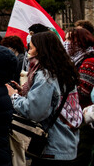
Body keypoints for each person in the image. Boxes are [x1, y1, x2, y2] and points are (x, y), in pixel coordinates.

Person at [7, 31, 80, 164]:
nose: (28, 51)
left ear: (41, 50)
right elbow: (53, 102)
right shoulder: (64, 71)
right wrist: (26, 93)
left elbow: (34, 111)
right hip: (68, 143)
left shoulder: (45, 76)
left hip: (52, 147)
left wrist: (14, 96)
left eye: (31, 47)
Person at [64, 27, 94, 166]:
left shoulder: (88, 61)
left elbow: (82, 92)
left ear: (80, 42)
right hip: (78, 115)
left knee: (82, 154)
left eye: (70, 39)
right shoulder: (75, 60)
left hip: (85, 118)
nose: (66, 43)